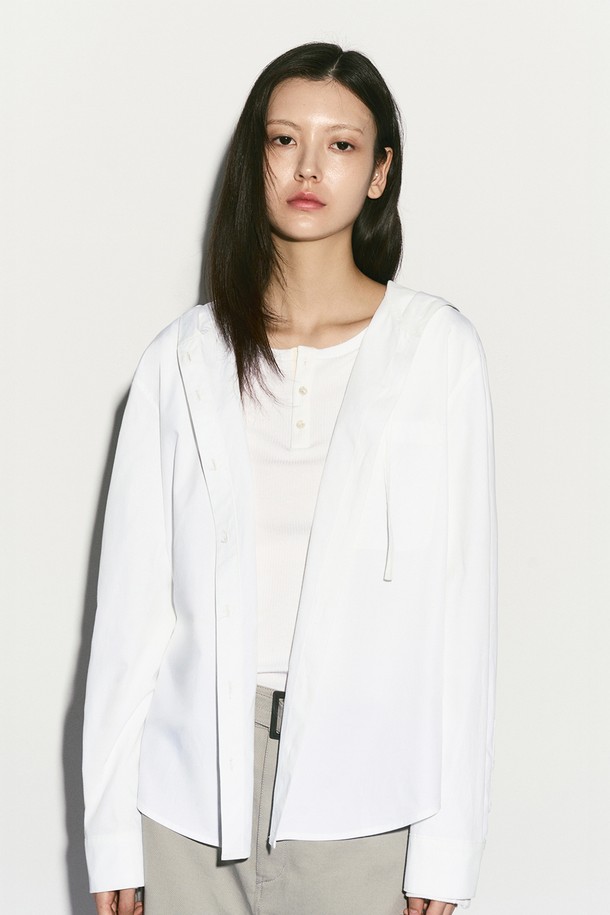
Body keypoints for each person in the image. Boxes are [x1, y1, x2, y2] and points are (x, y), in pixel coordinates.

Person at [83, 42, 497, 915]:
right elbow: (130, 616)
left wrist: (448, 847)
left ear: (379, 173)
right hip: (187, 800)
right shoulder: (182, 359)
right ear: (256, 158)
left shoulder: (437, 353)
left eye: (341, 145)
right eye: (284, 139)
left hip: (369, 799)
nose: (309, 167)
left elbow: (462, 615)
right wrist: (112, 831)